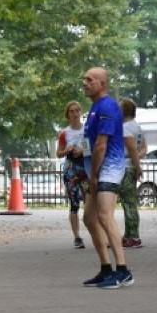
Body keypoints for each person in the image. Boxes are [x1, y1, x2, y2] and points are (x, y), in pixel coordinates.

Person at [80, 67, 134, 289]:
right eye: (84, 79)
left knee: (104, 216)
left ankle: (123, 271)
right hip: (97, 169)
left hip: (108, 168)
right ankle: (105, 268)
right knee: (89, 218)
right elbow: (91, 144)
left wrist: (93, 176)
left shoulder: (108, 107)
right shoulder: (95, 107)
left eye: (89, 79)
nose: (85, 82)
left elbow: (101, 145)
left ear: (102, 83)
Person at [56, 100, 88, 249]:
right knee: (74, 204)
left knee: (91, 204)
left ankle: (98, 234)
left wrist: (83, 150)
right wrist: (67, 150)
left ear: (81, 112)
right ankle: (77, 237)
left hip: (86, 168)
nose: (75, 114)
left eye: (77, 111)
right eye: (72, 111)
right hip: (71, 170)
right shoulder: (64, 132)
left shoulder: (87, 130)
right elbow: (58, 153)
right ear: (67, 115)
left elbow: (94, 148)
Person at [119, 98, 146, 248]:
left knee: (128, 202)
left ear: (124, 111)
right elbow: (142, 148)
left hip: (125, 167)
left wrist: (136, 164)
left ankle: (134, 236)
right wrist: (138, 161)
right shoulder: (138, 127)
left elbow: (131, 149)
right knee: (128, 201)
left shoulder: (125, 128)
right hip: (131, 166)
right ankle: (128, 234)